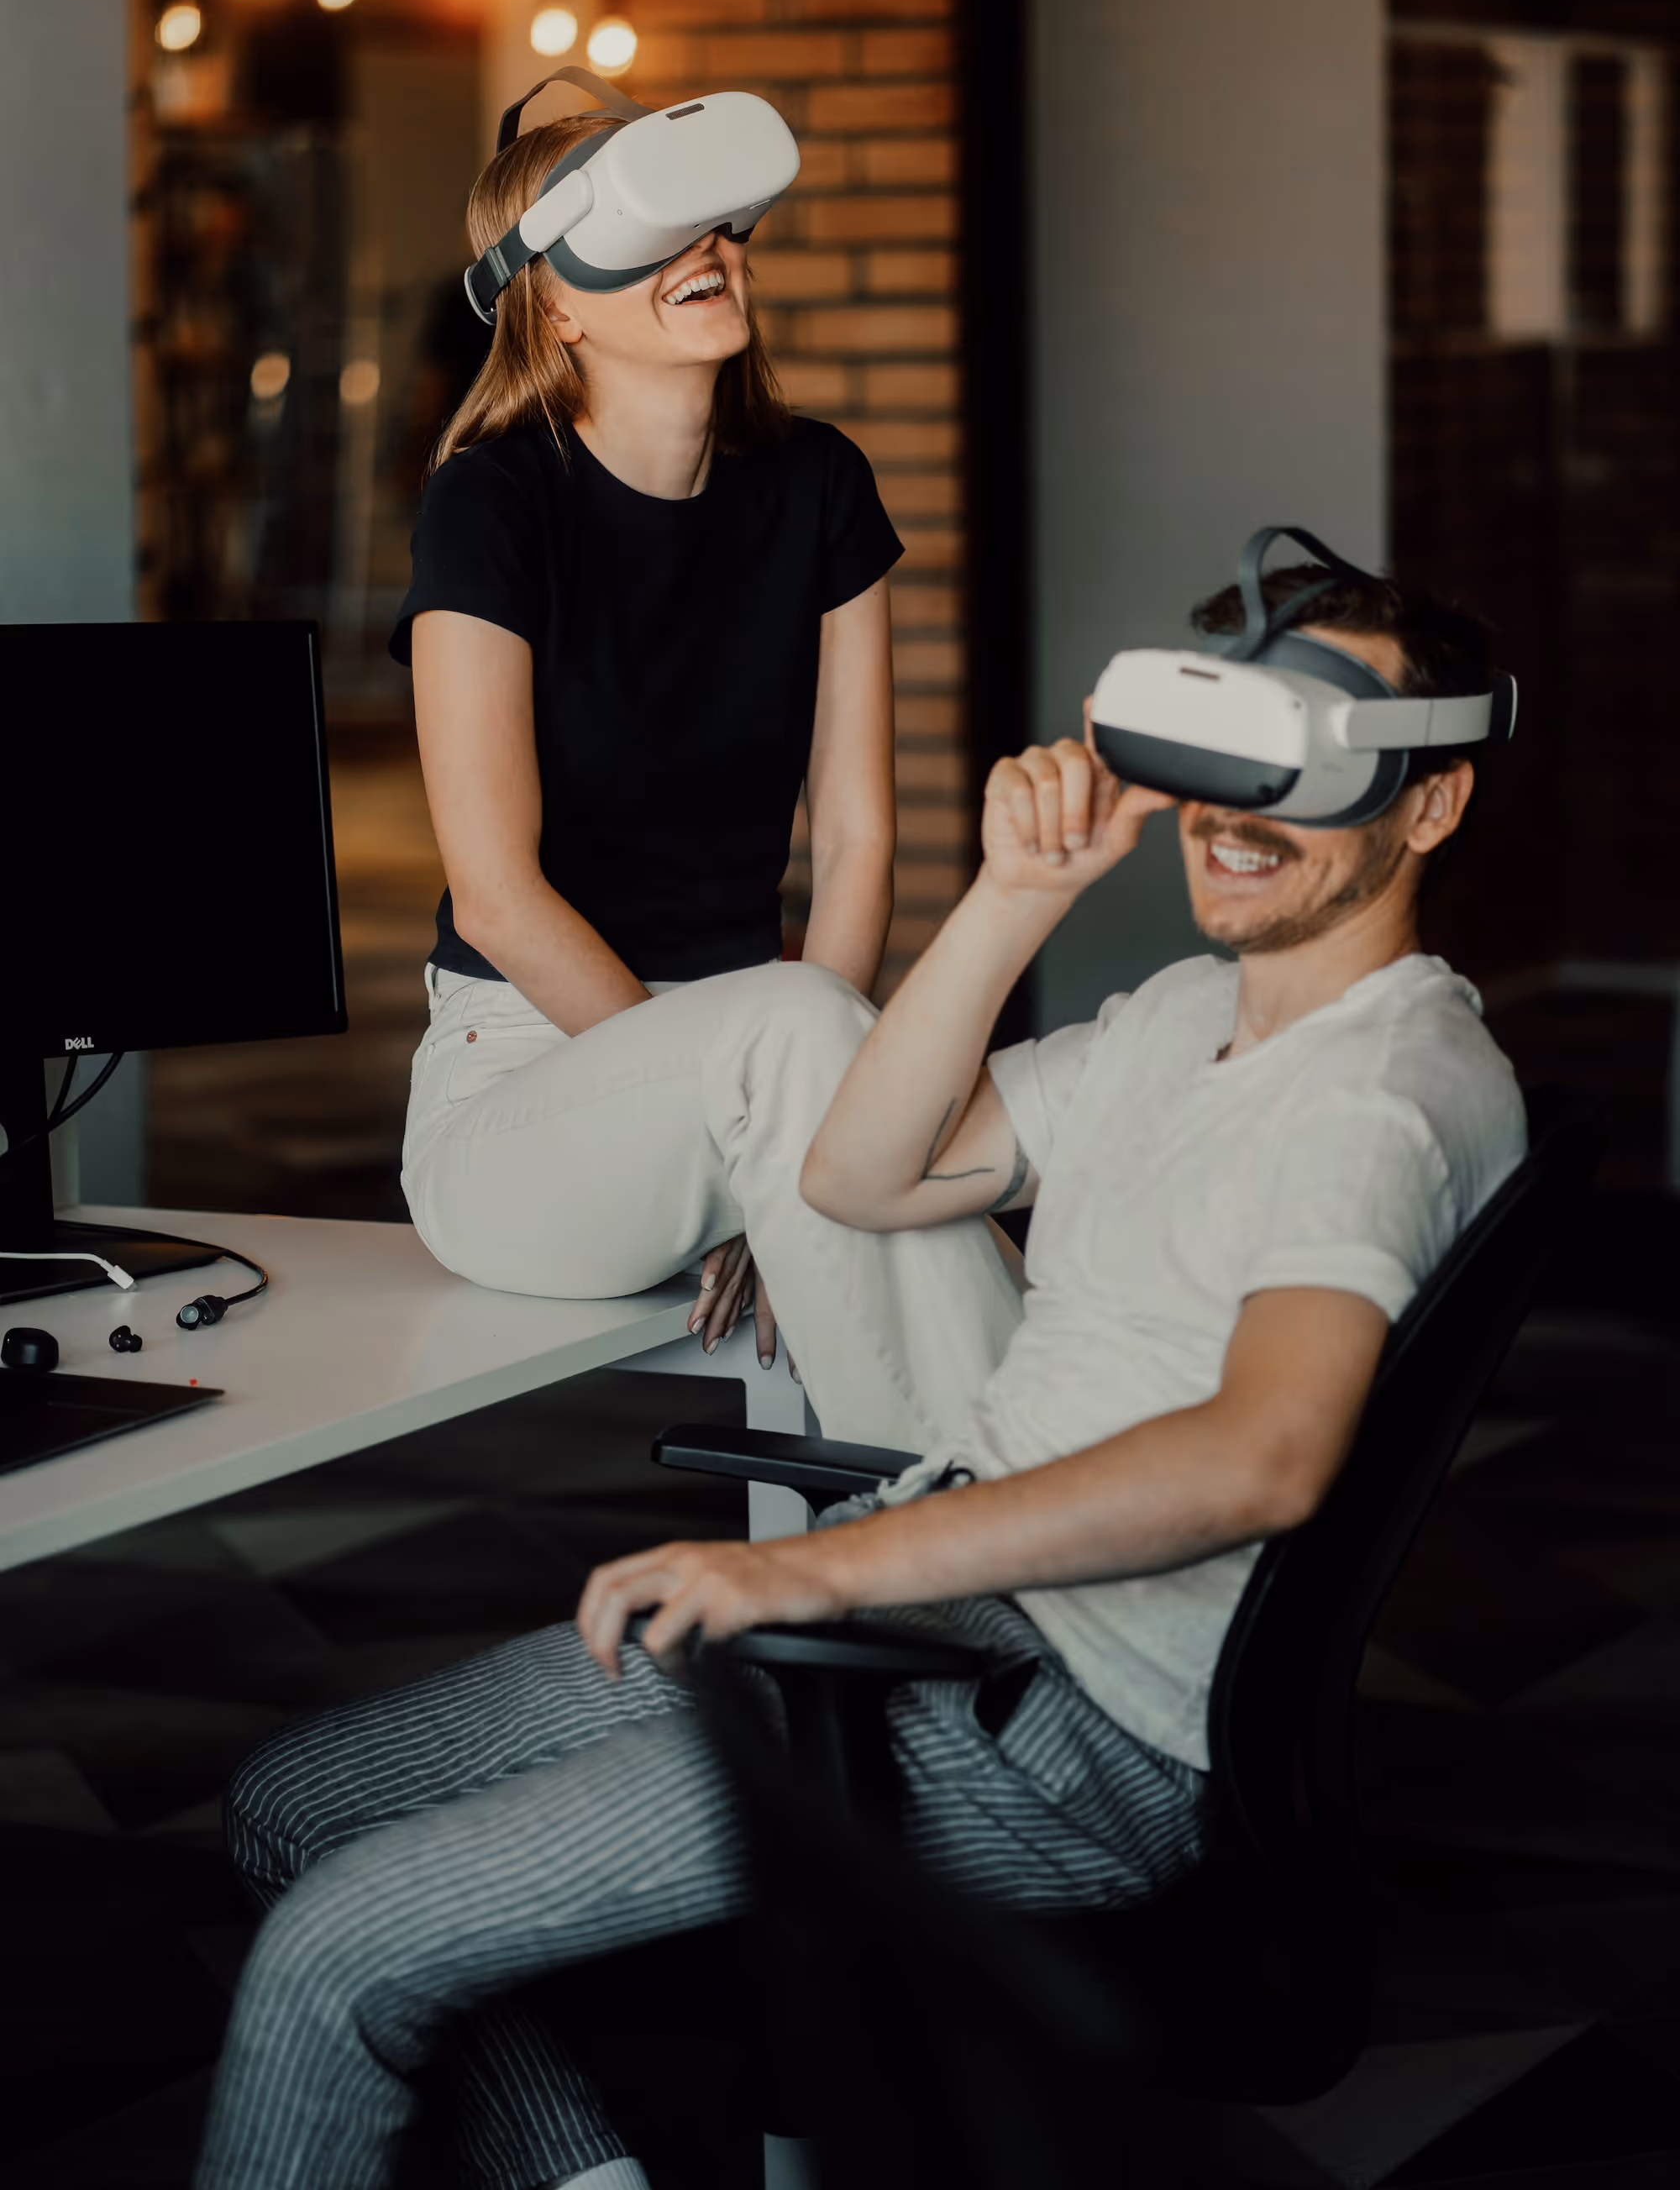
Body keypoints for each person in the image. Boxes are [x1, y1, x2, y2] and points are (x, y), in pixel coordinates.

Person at [194, 560, 1525, 2190]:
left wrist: (800, 1570)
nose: (1232, 814)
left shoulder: (1372, 1095)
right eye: (1220, 746)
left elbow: (1262, 1456)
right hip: (924, 1624)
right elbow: (864, 1173)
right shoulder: (1190, 1013)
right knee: (289, 1802)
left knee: (337, 1947)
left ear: (1430, 803)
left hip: (1043, 1722)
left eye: (1308, 762)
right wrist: (1017, 893)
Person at [391, 103, 1020, 1384]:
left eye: (719, 222)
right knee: (828, 1090)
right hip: (526, 1081)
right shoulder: (489, 509)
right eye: (650, 231)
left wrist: (773, 1134)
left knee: (854, 1129)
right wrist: (749, 1136)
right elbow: (501, 902)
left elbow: (855, 841)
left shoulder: (820, 485)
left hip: (783, 1055)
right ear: (554, 307)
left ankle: (940, 1529)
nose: (707, 250)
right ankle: (1042, 1505)